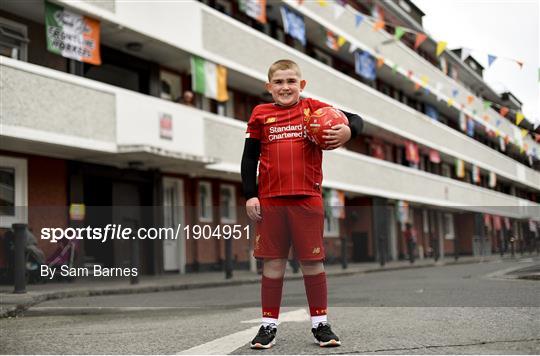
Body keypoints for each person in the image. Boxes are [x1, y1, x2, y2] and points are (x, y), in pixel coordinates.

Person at [241, 59, 363, 349]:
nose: (285, 87)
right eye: (279, 82)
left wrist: (348, 132)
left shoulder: (313, 109)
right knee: (273, 263)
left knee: (312, 262)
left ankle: (320, 324)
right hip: (269, 200)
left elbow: (355, 119)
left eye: (291, 81)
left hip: (307, 198)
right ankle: (268, 326)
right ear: (269, 87)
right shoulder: (260, 114)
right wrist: (250, 194)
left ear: (301, 85)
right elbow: (249, 158)